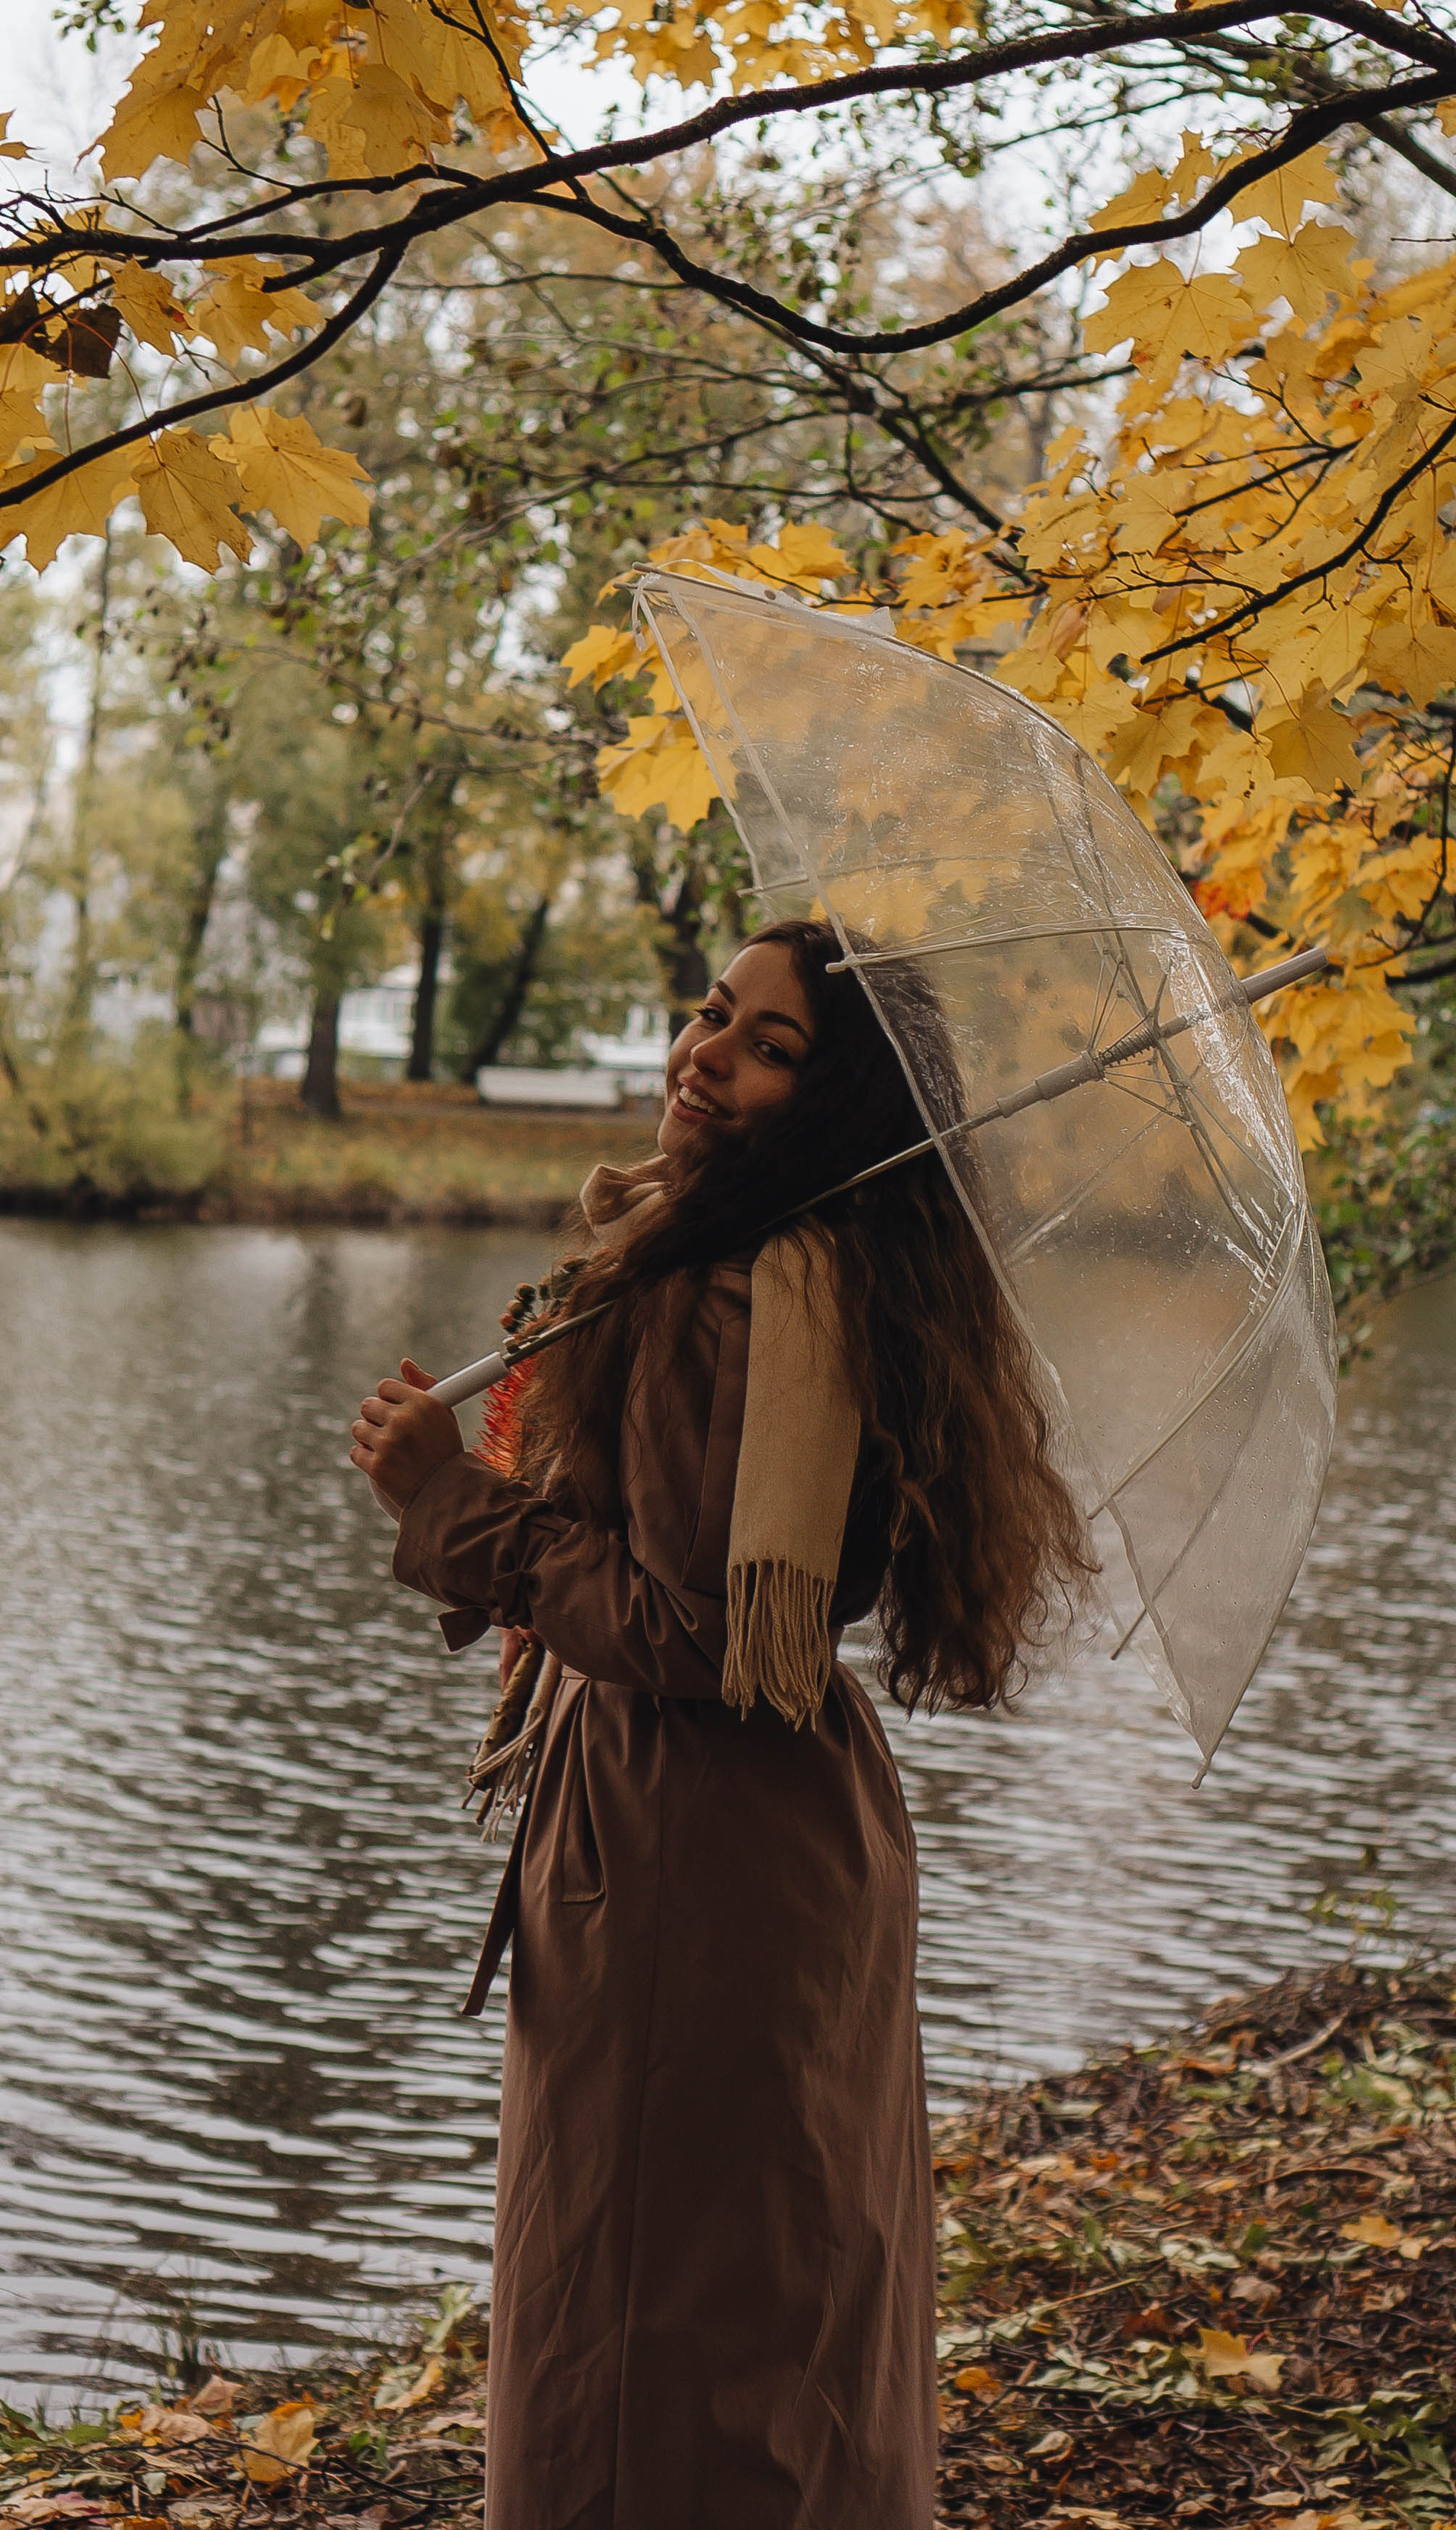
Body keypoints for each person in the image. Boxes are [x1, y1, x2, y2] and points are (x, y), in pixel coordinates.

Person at [348, 918, 1093, 2530]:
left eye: (770, 1047)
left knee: (647, 2322)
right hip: (782, 1827)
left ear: (836, 1112)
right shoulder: (824, 1274)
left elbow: (683, 1626)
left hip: (681, 1846)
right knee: (779, 2291)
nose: (709, 1054)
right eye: (711, 1016)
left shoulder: (739, 1301)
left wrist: (445, 1504)